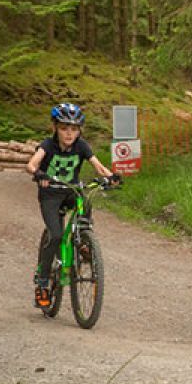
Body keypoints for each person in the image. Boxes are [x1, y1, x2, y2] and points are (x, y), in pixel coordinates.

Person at [26, 102, 119, 307]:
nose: (69, 134)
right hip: (50, 194)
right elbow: (31, 164)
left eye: (74, 129)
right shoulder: (47, 146)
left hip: (71, 191)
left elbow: (98, 166)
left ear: (79, 131)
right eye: (64, 128)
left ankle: (83, 238)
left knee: (85, 199)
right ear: (55, 128)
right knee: (56, 235)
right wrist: (39, 173)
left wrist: (111, 176)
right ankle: (42, 281)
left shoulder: (82, 146)